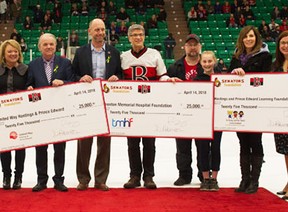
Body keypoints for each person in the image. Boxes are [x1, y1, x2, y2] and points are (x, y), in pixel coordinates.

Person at [121, 24, 177, 190]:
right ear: (129, 38)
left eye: (140, 34)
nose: (138, 37)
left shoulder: (154, 54)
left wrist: (169, 80)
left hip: (150, 105)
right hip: (130, 106)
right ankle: (134, 175)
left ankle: (149, 176)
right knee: (132, 143)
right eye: (134, 35)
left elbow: (162, 76)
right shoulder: (123, 57)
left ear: (144, 36)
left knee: (149, 143)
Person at [72, 18, 122, 191]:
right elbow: (73, 74)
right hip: (87, 102)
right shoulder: (80, 52)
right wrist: (80, 78)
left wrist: (117, 78)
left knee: (104, 143)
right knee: (84, 142)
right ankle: (83, 179)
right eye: (97, 30)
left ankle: (100, 179)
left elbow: (120, 74)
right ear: (90, 32)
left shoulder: (114, 52)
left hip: (107, 102)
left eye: (102, 29)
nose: (100, 33)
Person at [26, 33, 74, 192]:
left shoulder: (66, 63)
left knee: (60, 148)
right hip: (40, 115)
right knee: (40, 148)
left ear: (56, 46)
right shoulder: (32, 65)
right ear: (39, 47)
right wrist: (29, 89)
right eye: (45, 44)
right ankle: (41, 179)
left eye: (51, 44)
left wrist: (64, 82)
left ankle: (59, 179)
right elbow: (29, 85)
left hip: (60, 113)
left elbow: (73, 84)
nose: (48, 47)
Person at [228, 26, 272, 194]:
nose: (248, 39)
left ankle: (255, 180)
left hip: (256, 106)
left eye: (251, 36)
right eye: (246, 36)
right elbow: (229, 80)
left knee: (256, 142)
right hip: (239, 106)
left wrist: (244, 73)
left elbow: (264, 80)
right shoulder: (236, 57)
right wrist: (234, 73)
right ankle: (244, 178)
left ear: (257, 38)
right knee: (243, 142)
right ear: (242, 39)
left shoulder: (265, 56)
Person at [167, 34, 210, 186]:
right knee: (182, 146)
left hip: (201, 113)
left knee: (202, 146)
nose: (192, 47)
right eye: (189, 44)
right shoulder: (174, 67)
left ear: (200, 46)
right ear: (184, 47)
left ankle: (203, 173)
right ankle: (184, 174)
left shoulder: (207, 65)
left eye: (195, 44)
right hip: (181, 112)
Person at [0, 39, 28, 190]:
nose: (13, 54)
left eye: (15, 51)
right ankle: (6, 175)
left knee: (20, 146)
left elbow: (31, 86)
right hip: (2, 115)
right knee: (4, 146)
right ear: (3, 54)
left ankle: (18, 177)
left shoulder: (26, 70)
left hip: (21, 114)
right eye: (9, 51)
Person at [194, 51, 223, 191]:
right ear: (200, 62)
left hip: (217, 119)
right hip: (200, 121)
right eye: (204, 62)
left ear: (214, 61)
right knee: (202, 149)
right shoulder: (196, 79)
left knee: (216, 148)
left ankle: (215, 178)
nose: (207, 64)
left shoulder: (222, 78)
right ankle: (205, 178)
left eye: (209, 61)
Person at [271, 30, 288, 200]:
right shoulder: (275, 65)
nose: (285, 46)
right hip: (281, 115)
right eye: (282, 43)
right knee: (286, 151)